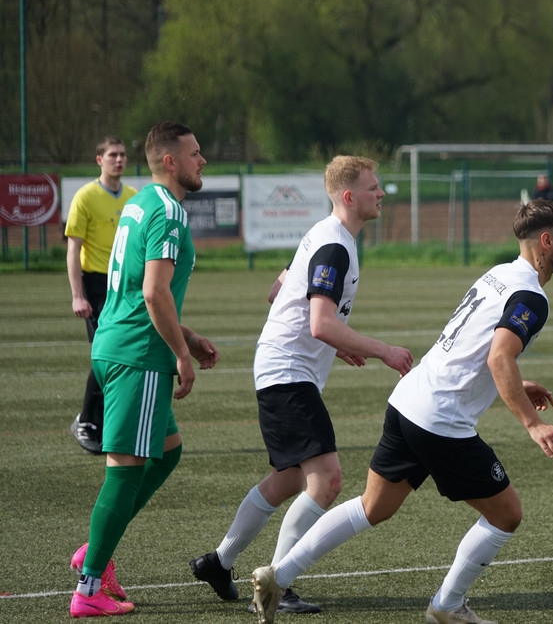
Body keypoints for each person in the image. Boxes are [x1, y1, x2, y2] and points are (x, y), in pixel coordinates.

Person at [249, 198, 553, 624]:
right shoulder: (532, 296)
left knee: (373, 507)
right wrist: (533, 423)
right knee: (506, 515)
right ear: (546, 241)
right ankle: (447, 607)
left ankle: (277, 576)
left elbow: (477, 351)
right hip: (440, 420)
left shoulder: (499, 273)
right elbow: (499, 357)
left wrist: (515, 383)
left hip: (409, 400)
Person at [190, 156, 414, 615]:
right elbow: (319, 323)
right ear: (349, 196)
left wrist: (335, 340)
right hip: (288, 372)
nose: (381, 194)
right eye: (373, 188)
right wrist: (383, 350)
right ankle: (276, 583)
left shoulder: (324, 233)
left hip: (283, 368)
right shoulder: (335, 245)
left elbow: (279, 292)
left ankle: (220, 562)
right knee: (326, 480)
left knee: (290, 478)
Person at [69, 122, 219, 618]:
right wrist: (181, 354)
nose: (202, 160)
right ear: (170, 161)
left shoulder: (139, 203)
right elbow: (154, 293)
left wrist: (188, 337)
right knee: (125, 470)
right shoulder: (168, 211)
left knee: (168, 452)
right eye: (195, 154)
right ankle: (89, 586)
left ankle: (96, 551)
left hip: (116, 344)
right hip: (138, 355)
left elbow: (141, 290)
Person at [65, 136, 138, 455]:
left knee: (121, 355)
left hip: (125, 285)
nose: (118, 160)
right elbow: (73, 249)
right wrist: (77, 295)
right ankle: (86, 421)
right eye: (112, 155)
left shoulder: (134, 197)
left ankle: (106, 423)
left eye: (122, 155)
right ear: (99, 160)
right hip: (95, 285)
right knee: (106, 355)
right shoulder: (86, 196)